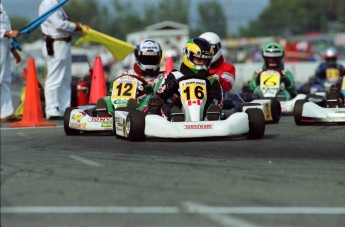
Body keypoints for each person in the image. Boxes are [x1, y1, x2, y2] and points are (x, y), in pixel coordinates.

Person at [39, 0, 88, 119]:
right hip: (56, 43)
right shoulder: (48, 3)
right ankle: (52, 108)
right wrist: (77, 27)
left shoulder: (57, 4)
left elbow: (64, 21)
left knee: (65, 78)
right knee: (54, 78)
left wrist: (78, 25)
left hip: (64, 43)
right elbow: (59, 24)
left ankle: (64, 107)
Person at [156, 37, 223, 121]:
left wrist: (211, 98)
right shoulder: (175, 76)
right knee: (167, 105)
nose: (202, 63)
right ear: (188, 55)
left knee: (212, 106)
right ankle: (175, 117)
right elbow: (158, 93)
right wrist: (171, 87)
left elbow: (219, 101)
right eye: (198, 59)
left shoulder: (211, 80)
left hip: (204, 116)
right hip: (179, 112)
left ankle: (210, 117)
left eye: (205, 60)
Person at [101, 38, 164, 115]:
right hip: (127, 108)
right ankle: (107, 112)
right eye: (145, 58)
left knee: (154, 99)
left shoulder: (163, 78)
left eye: (152, 59)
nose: (149, 61)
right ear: (138, 56)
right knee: (107, 99)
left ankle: (131, 112)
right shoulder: (127, 75)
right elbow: (111, 90)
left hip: (147, 113)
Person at [199, 32, 236, 100]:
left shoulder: (227, 67)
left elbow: (227, 85)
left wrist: (217, 79)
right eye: (203, 51)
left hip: (221, 105)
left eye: (210, 50)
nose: (206, 54)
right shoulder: (195, 67)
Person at [0, 3, 21, 123]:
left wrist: (13, 49)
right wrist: (8, 33)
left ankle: (6, 112)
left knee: (5, 78)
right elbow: (5, 30)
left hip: (4, 44)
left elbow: (5, 26)